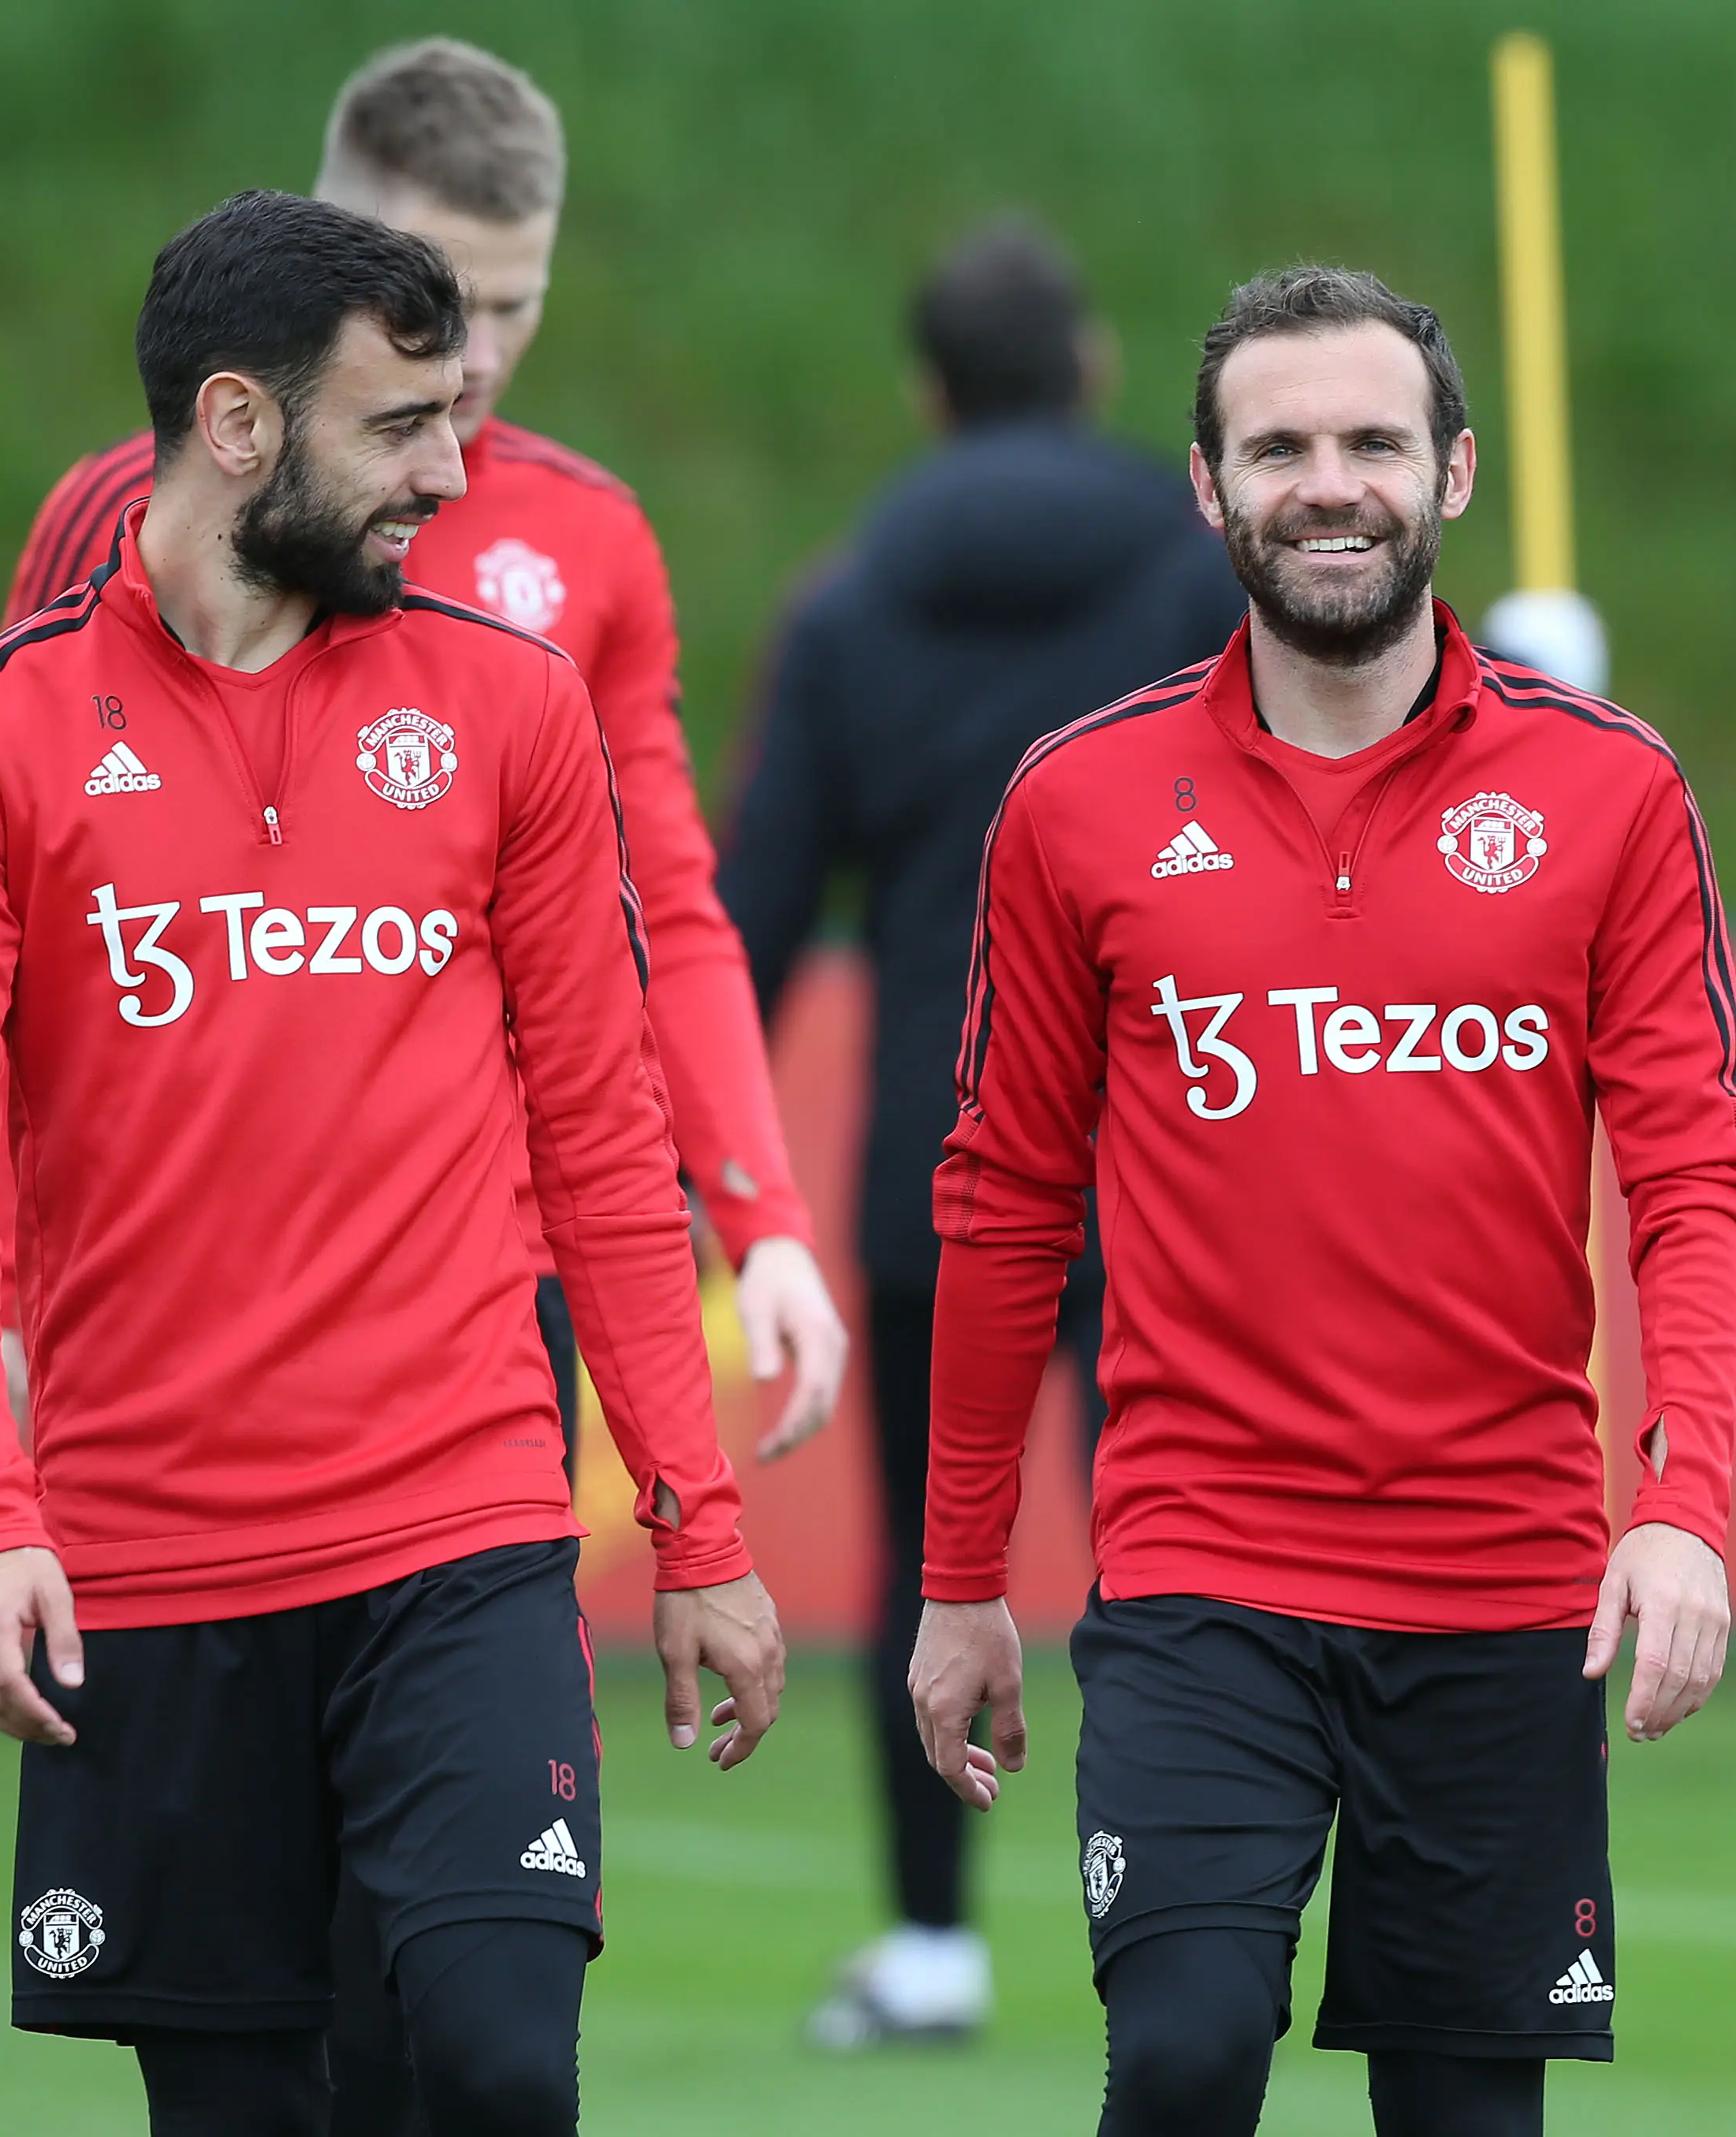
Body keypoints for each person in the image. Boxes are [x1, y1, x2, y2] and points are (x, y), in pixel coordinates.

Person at [0, 189, 784, 2137]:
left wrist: (699, 1526)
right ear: (240, 424)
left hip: (461, 1532)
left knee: (501, 2060)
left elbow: (606, 1146)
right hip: (152, 1564)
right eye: (399, 425)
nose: (452, 472)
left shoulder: (510, 709)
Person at [908, 264, 1736, 2135]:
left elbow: (1696, 1166)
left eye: (1373, 440)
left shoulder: (1613, 791)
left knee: (1468, 2114)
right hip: (1204, 1562)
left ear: (1453, 473)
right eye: (1277, 446)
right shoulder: (1079, 801)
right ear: (1206, 491)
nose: (1329, 482)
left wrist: (1681, 1499)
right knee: (1191, 2045)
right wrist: (961, 1576)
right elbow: (1004, 1201)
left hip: (1503, 1580)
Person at [2, 37, 847, 1484]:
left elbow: (671, 906)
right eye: (442, 291)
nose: (482, 347)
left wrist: (760, 1209)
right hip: (169, 1276)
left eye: (515, 302)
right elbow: (24, 923)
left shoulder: (587, 542)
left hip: (486, 1274)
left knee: (497, 1693)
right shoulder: (124, 522)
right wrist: (13, 1286)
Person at [716, 218, 1245, 2047]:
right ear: (1095, 369)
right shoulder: (1204, 586)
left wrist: (699, 1170)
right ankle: (1182, 1921)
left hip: (939, 1166)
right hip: (1190, 1150)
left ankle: (934, 1940)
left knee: (930, 1558)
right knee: (1183, 1546)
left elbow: (753, 919)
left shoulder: (851, 613)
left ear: (930, 395)